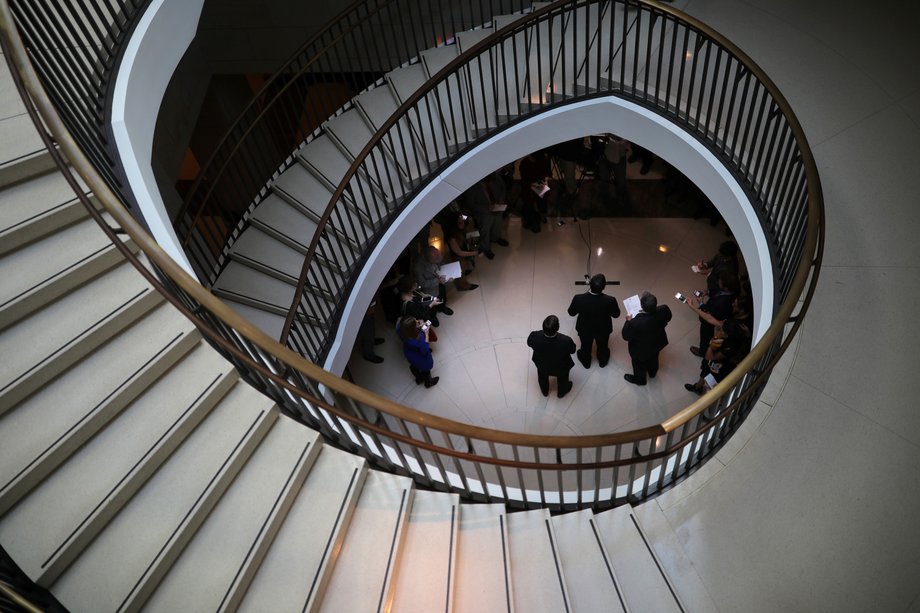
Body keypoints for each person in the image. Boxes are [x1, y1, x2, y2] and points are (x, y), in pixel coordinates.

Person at [684, 318, 751, 396]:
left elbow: (709, 356)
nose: (720, 329)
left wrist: (715, 338)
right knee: (705, 371)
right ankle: (697, 387)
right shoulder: (739, 336)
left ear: (726, 335)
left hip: (719, 369)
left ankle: (706, 396)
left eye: (722, 330)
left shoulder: (730, 346)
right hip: (714, 364)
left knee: (711, 383)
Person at [567, 273, 621, 368]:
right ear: (604, 287)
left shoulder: (578, 298)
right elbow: (616, 315)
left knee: (585, 346)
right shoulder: (611, 300)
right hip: (603, 329)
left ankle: (586, 362)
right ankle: (602, 361)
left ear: (590, 284)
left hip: (584, 329)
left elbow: (571, 313)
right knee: (603, 346)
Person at [620, 291, 672, 385]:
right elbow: (668, 318)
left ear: (642, 307)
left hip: (641, 350)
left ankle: (640, 380)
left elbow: (625, 336)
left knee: (639, 365)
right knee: (654, 358)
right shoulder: (664, 309)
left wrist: (628, 321)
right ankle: (652, 372)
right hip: (657, 343)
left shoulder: (635, 323)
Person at [688, 270, 739, 357]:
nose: (718, 281)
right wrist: (707, 292)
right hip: (715, 314)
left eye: (720, 281)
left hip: (710, 325)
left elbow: (710, 316)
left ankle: (703, 352)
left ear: (726, 287)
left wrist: (700, 304)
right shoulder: (731, 292)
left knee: (705, 338)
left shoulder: (722, 303)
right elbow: (718, 292)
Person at [526, 315, 576, 398]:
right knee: (563, 378)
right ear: (558, 328)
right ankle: (561, 392)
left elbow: (529, 343)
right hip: (561, 366)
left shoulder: (534, 336)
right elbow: (573, 350)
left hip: (542, 364)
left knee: (542, 376)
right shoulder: (566, 341)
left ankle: (544, 390)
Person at [398, 316, 439, 388]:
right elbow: (425, 351)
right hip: (421, 359)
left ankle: (419, 378)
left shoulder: (402, 331)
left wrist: (417, 326)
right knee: (426, 370)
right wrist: (426, 333)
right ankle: (428, 383)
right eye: (416, 322)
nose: (418, 321)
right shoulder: (419, 338)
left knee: (413, 367)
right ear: (413, 329)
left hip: (410, 354)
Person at [413, 245, 454, 317]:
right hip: (430, 290)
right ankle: (433, 316)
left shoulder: (437, 254)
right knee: (432, 304)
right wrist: (437, 281)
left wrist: (448, 274)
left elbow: (441, 263)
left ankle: (442, 308)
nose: (437, 262)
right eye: (434, 261)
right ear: (427, 259)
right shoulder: (418, 267)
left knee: (442, 295)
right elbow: (422, 283)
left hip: (440, 282)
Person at [443, 210, 480, 291]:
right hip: (458, 257)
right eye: (460, 222)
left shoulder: (459, 230)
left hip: (463, 252)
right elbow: (459, 252)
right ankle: (463, 286)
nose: (463, 223)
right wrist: (474, 252)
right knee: (460, 272)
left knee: (464, 267)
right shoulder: (451, 238)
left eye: (463, 220)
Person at [356, 299, 385, 363]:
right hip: (363, 315)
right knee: (368, 334)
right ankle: (368, 355)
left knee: (371, 328)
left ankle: (372, 340)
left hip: (367, 312)